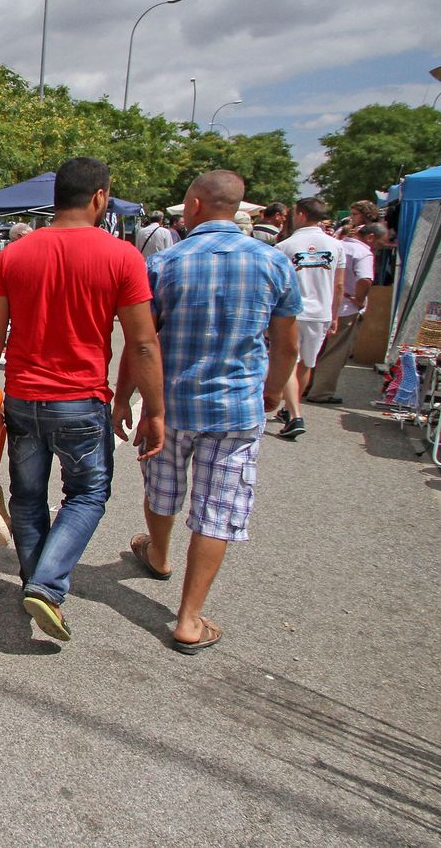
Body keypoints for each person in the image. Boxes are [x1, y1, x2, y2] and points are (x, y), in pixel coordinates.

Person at [0, 157, 166, 642]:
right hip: (80, 399)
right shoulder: (121, 256)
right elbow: (142, 343)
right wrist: (153, 409)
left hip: (23, 397)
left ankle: (36, 582)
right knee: (88, 494)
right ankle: (48, 586)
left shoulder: (13, 256)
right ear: (100, 196)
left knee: (28, 497)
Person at [128, 171, 301, 654]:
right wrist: (271, 395)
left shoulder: (166, 264)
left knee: (162, 485)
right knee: (218, 509)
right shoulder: (274, 264)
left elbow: (144, 344)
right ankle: (188, 618)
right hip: (237, 407)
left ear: (197, 206)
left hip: (171, 404)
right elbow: (288, 344)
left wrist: (132, 398)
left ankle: (159, 555)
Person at [273, 198, 344, 440]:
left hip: (291, 312)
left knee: (290, 361)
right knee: (306, 363)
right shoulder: (336, 246)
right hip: (321, 311)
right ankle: (292, 409)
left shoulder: (285, 246)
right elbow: (339, 284)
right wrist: (335, 315)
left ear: (301, 214)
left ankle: (294, 414)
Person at [305, 222, 382, 405]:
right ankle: (321, 391)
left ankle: (306, 385)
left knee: (316, 348)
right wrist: (359, 298)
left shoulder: (336, 245)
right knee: (335, 352)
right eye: (381, 241)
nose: (382, 245)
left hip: (323, 303)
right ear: (370, 237)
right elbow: (365, 279)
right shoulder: (363, 253)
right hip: (346, 307)